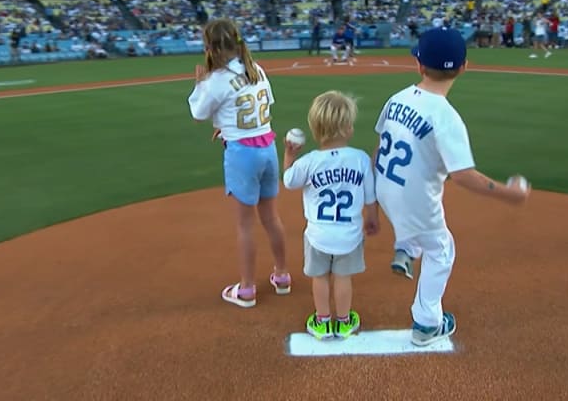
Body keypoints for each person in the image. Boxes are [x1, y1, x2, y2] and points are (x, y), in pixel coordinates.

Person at [373, 27, 531, 347]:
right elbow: (463, 175)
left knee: (416, 228)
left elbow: (378, 149)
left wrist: (372, 203)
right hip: (415, 201)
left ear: (418, 64)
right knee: (442, 249)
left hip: (385, 187)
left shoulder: (397, 98)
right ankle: (428, 323)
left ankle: (406, 248)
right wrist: (509, 193)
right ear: (463, 68)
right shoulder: (446, 117)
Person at [187, 18, 291, 307]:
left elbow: (198, 113)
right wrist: (228, 125)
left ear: (210, 47)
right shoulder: (255, 69)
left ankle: (246, 289)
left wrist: (199, 84)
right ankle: (282, 276)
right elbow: (264, 106)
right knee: (271, 217)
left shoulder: (216, 79)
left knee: (245, 225)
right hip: (267, 145)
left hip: (242, 152)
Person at [282, 91, 377, 341]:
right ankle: (344, 322)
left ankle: (322, 321)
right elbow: (370, 196)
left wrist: (290, 155)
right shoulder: (360, 159)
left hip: (317, 236)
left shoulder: (309, 161)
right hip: (350, 235)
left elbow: (289, 181)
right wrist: (372, 217)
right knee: (343, 278)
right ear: (348, 128)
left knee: (320, 278)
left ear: (315, 129)